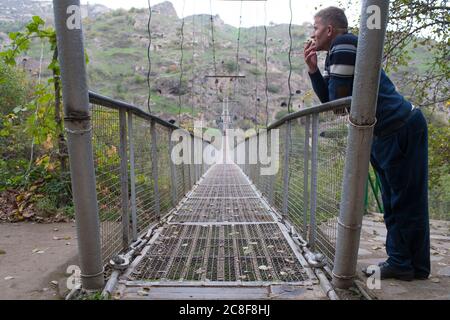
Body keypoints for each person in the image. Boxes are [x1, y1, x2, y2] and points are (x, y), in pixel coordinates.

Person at [304, 6, 430, 281]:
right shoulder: (337, 52)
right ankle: (413, 265)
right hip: (389, 131)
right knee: (400, 201)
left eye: (315, 28)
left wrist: (325, 83)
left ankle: (402, 262)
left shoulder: (344, 45)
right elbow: (335, 102)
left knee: (401, 202)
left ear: (329, 29)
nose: (312, 34)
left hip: (398, 129)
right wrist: (314, 71)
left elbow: (337, 104)